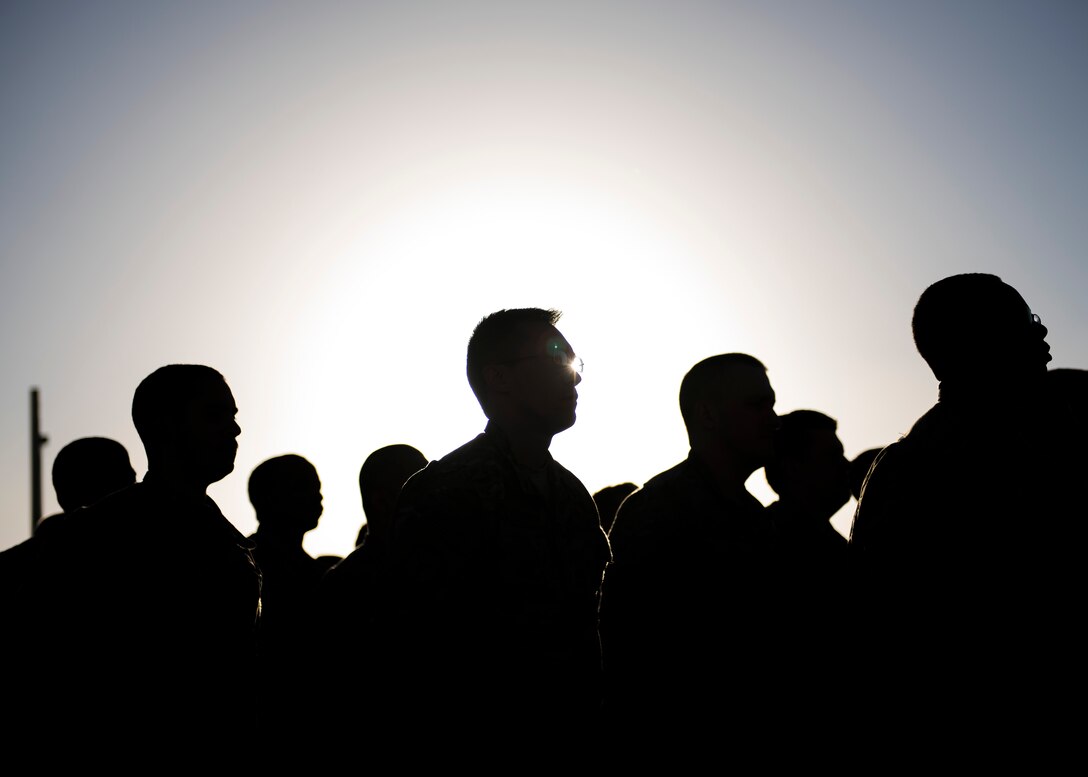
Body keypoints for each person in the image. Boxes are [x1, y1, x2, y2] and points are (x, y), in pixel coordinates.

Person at [848, 273, 1079, 765]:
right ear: (979, 344)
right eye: (1025, 323)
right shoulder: (922, 472)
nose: (1042, 336)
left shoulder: (1035, 440)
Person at [369, 308, 611, 761]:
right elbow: (410, 652)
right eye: (556, 361)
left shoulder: (572, 496)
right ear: (498, 377)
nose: (574, 379)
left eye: (575, 363)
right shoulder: (448, 489)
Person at [12, 364, 262, 762]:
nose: (235, 430)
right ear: (164, 425)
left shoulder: (228, 538)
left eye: (233, 416)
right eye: (214, 415)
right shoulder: (96, 536)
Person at [599, 352, 781, 758]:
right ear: (707, 415)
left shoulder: (755, 519)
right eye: (757, 405)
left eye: (771, 404)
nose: (773, 419)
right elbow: (630, 655)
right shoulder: (657, 509)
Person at [246, 453, 339, 752]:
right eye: (304, 487)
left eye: (318, 487)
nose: (318, 497)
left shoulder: (320, 572)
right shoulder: (243, 566)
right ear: (270, 498)